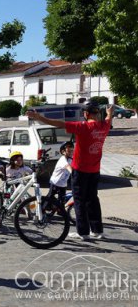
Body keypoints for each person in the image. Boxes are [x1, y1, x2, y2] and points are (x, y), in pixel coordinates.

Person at [27, 101, 113, 240]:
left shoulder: (82, 126)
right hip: (95, 170)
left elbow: (58, 123)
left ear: (85, 114)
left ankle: (83, 232)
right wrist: (109, 114)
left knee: (79, 201)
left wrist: (39, 117)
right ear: (98, 114)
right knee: (92, 200)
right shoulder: (104, 126)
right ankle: (97, 231)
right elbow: (108, 119)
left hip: (80, 170)